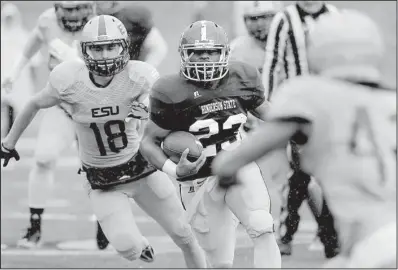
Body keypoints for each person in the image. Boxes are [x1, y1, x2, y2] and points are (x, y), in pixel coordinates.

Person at [0, 14, 207, 268]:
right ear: (85, 51)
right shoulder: (69, 79)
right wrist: (8, 143)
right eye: (97, 48)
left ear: (124, 47)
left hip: (142, 171)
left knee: (185, 236)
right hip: (102, 180)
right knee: (127, 248)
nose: (105, 54)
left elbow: (164, 102)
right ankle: (138, 245)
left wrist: (146, 105)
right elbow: (34, 103)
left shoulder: (139, 76)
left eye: (111, 46)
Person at [213, 9, 396, 268]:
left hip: (372, 242)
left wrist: (226, 172)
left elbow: (233, 161)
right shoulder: (391, 101)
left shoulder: (310, 95)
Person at [140, 20, 281, 268]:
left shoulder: (242, 77)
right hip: (199, 180)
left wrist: (298, 126)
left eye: (212, 51)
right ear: (184, 55)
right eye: (197, 52)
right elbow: (149, 143)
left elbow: (265, 111)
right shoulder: (170, 91)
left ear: (225, 53)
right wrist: (175, 171)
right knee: (220, 263)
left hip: (237, 167)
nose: (205, 58)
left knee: (261, 225)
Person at [261, 0, 340, 257]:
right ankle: (324, 236)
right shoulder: (284, 19)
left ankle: (299, 233)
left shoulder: (334, 15)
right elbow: (273, 62)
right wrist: (270, 107)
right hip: (298, 108)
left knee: (323, 174)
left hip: (329, 108)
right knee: (302, 171)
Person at [230, 1, 282, 134]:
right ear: (244, 20)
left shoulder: (288, 45)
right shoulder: (235, 50)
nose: (259, 24)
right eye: (253, 19)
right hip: (251, 121)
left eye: (265, 17)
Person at [96, 1, 168, 68]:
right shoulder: (97, 20)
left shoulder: (129, 14)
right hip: (135, 51)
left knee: (143, 73)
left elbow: (155, 43)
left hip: (148, 48)